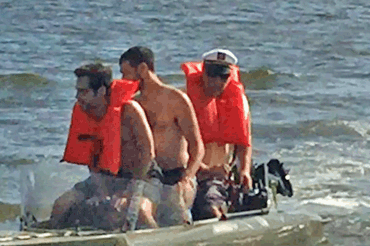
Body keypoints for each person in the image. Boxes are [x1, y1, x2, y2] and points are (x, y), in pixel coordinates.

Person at [49, 62, 157, 230]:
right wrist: (101, 191)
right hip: (106, 178)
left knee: (140, 211)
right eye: (77, 91)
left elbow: (148, 154)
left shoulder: (129, 110)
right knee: (61, 205)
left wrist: (129, 191)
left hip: (143, 178)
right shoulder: (83, 112)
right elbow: (90, 157)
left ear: (100, 91)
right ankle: (50, 243)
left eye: (83, 91)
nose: (78, 96)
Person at [119, 46, 204, 225]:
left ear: (142, 69)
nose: (123, 80)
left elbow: (198, 147)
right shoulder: (134, 104)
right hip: (150, 177)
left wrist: (187, 178)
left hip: (177, 175)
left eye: (125, 73)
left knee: (177, 211)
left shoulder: (176, 99)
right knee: (136, 209)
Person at [181, 49, 252, 220]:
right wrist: (203, 170)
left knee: (209, 206)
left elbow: (245, 140)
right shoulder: (184, 100)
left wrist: (245, 170)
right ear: (203, 73)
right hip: (190, 172)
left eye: (223, 77)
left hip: (219, 176)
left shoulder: (240, 101)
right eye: (212, 75)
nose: (217, 81)